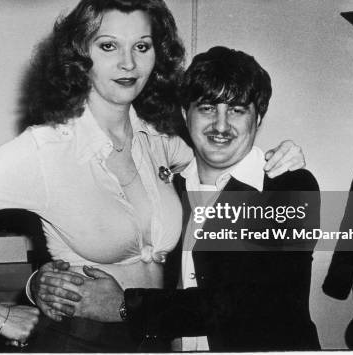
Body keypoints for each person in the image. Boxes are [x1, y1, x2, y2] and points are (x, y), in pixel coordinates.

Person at [0, 0, 304, 352]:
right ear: (79, 54)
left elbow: (222, 155)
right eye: (108, 46)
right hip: (79, 340)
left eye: (142, 46)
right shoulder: (44, 147)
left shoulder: (161, 140)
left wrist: (277, 159)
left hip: (158, 336)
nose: (128, 64)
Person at [34, 46, 321, 351]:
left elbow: (252, 302)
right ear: (186, 114)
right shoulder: (168, 190)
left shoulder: (291, 186)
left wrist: (124, 306)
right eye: (207, 108)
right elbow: (95, 243)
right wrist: (42, 283)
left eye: (237, 110)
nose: (220, 125)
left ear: (258, 118)